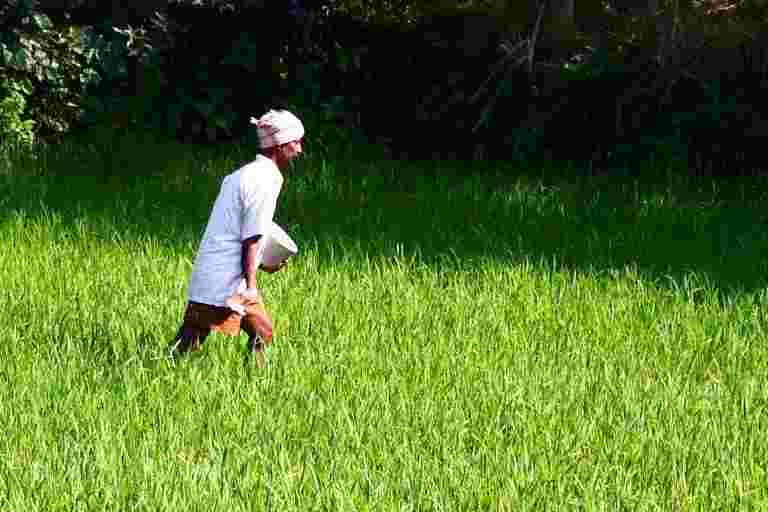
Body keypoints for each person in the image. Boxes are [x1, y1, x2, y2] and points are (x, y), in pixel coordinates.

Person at [169, 109, 304, 366]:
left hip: (214, 269)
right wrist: (252, 286)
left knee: (257, 332)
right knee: (198, 336)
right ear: (279, 145)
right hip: (225, 278)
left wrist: (264, 263)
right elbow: (251, 237)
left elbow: (241, 230)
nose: (299, 149)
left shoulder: (243, 174)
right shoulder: (266, 180)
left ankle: (253, 383)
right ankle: (165, 370)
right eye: (295, 142)